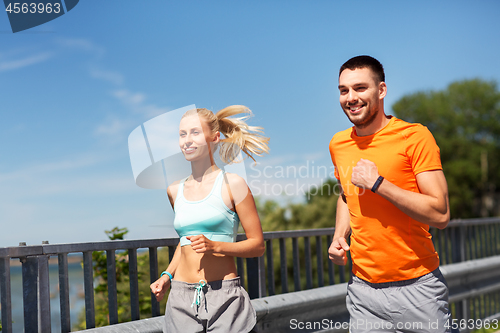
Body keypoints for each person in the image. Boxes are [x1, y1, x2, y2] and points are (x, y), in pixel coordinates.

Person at [328, 55, 451, 333]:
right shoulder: (338, 143)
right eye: (343, 90)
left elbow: (441, 214)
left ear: (381, 90)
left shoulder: (414, 136)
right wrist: (339, 236)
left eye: (360, 88)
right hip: (363, 293)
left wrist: (379, 183)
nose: (351, 97)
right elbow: (347, 195)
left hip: (418, 290)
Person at [150, 105, 269, 333]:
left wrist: (215, 246)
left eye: (195, 132)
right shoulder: (174, 190)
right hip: (180, 298)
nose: (187, 140)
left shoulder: (233, 184)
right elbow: (186, 241)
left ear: (214, 138)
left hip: (224, 297)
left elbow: (257, 246)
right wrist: (166, 276)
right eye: (182, 134)